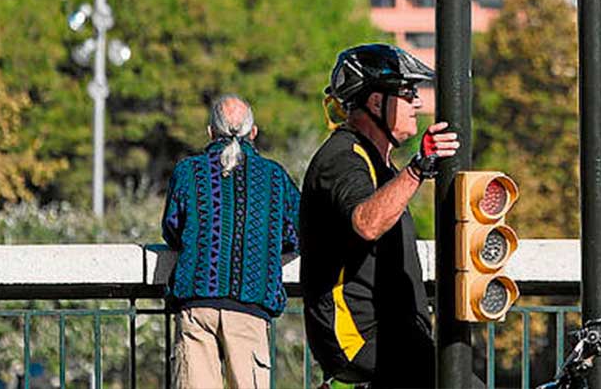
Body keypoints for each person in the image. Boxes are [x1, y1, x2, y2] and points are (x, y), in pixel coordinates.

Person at [300, 44, 460, 389]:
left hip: (396, 338)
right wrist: (419, 167)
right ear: (375, 102)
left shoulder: (381, 164)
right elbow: (366, 222)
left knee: (459, 372)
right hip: (360, 339)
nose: (417, 102)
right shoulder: (342, 157)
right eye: (407, 93)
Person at [162, 94, 300, 389]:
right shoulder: (275, 177)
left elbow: (172, 228)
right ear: (254, 132)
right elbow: (296, 233)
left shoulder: (188, 172)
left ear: (210, 132)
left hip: (197, 302)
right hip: (250, 305)